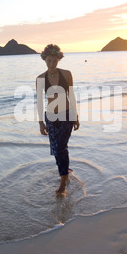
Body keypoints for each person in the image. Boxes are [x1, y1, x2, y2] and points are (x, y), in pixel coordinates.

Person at [36, 44, 80, 196]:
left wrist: (76, 116)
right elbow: (40, 102)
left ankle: (63, 182)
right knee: (56, 149)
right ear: (44, 60)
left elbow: (71, 96)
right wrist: (41, 122)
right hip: (51, 118)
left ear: (59, 60)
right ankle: (65, 169)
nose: (51, 64)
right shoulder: (40, 78)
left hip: (67, 115)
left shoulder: (67, 74)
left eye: (54, 61)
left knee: (61, 147)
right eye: (49, 61)